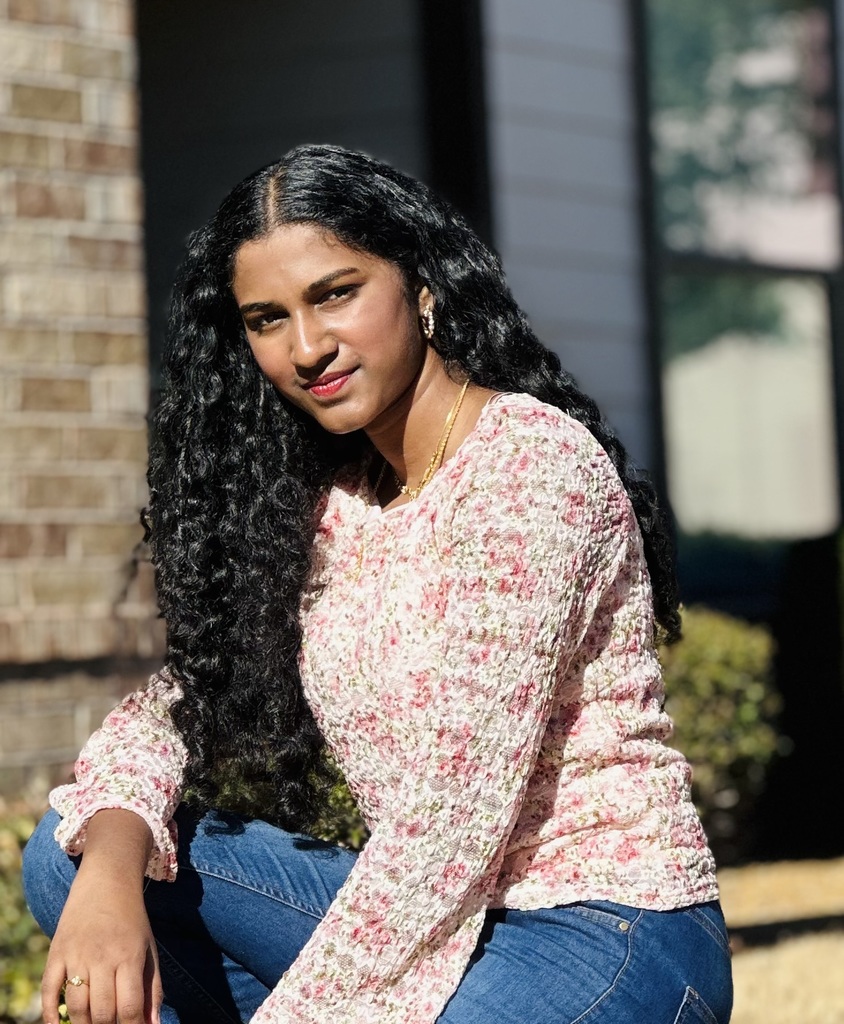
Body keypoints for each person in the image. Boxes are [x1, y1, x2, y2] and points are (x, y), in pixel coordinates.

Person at [23, 144, 733, 1024]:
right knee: (80, 856)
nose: (308, 346)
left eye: (336, 293)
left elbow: (449, 821)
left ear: (422, 286)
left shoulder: (529, 469)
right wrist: (109, 877)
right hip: (447, 920)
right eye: (267, 318)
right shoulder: (338, 505)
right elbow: (177, 708)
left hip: (605, 930)